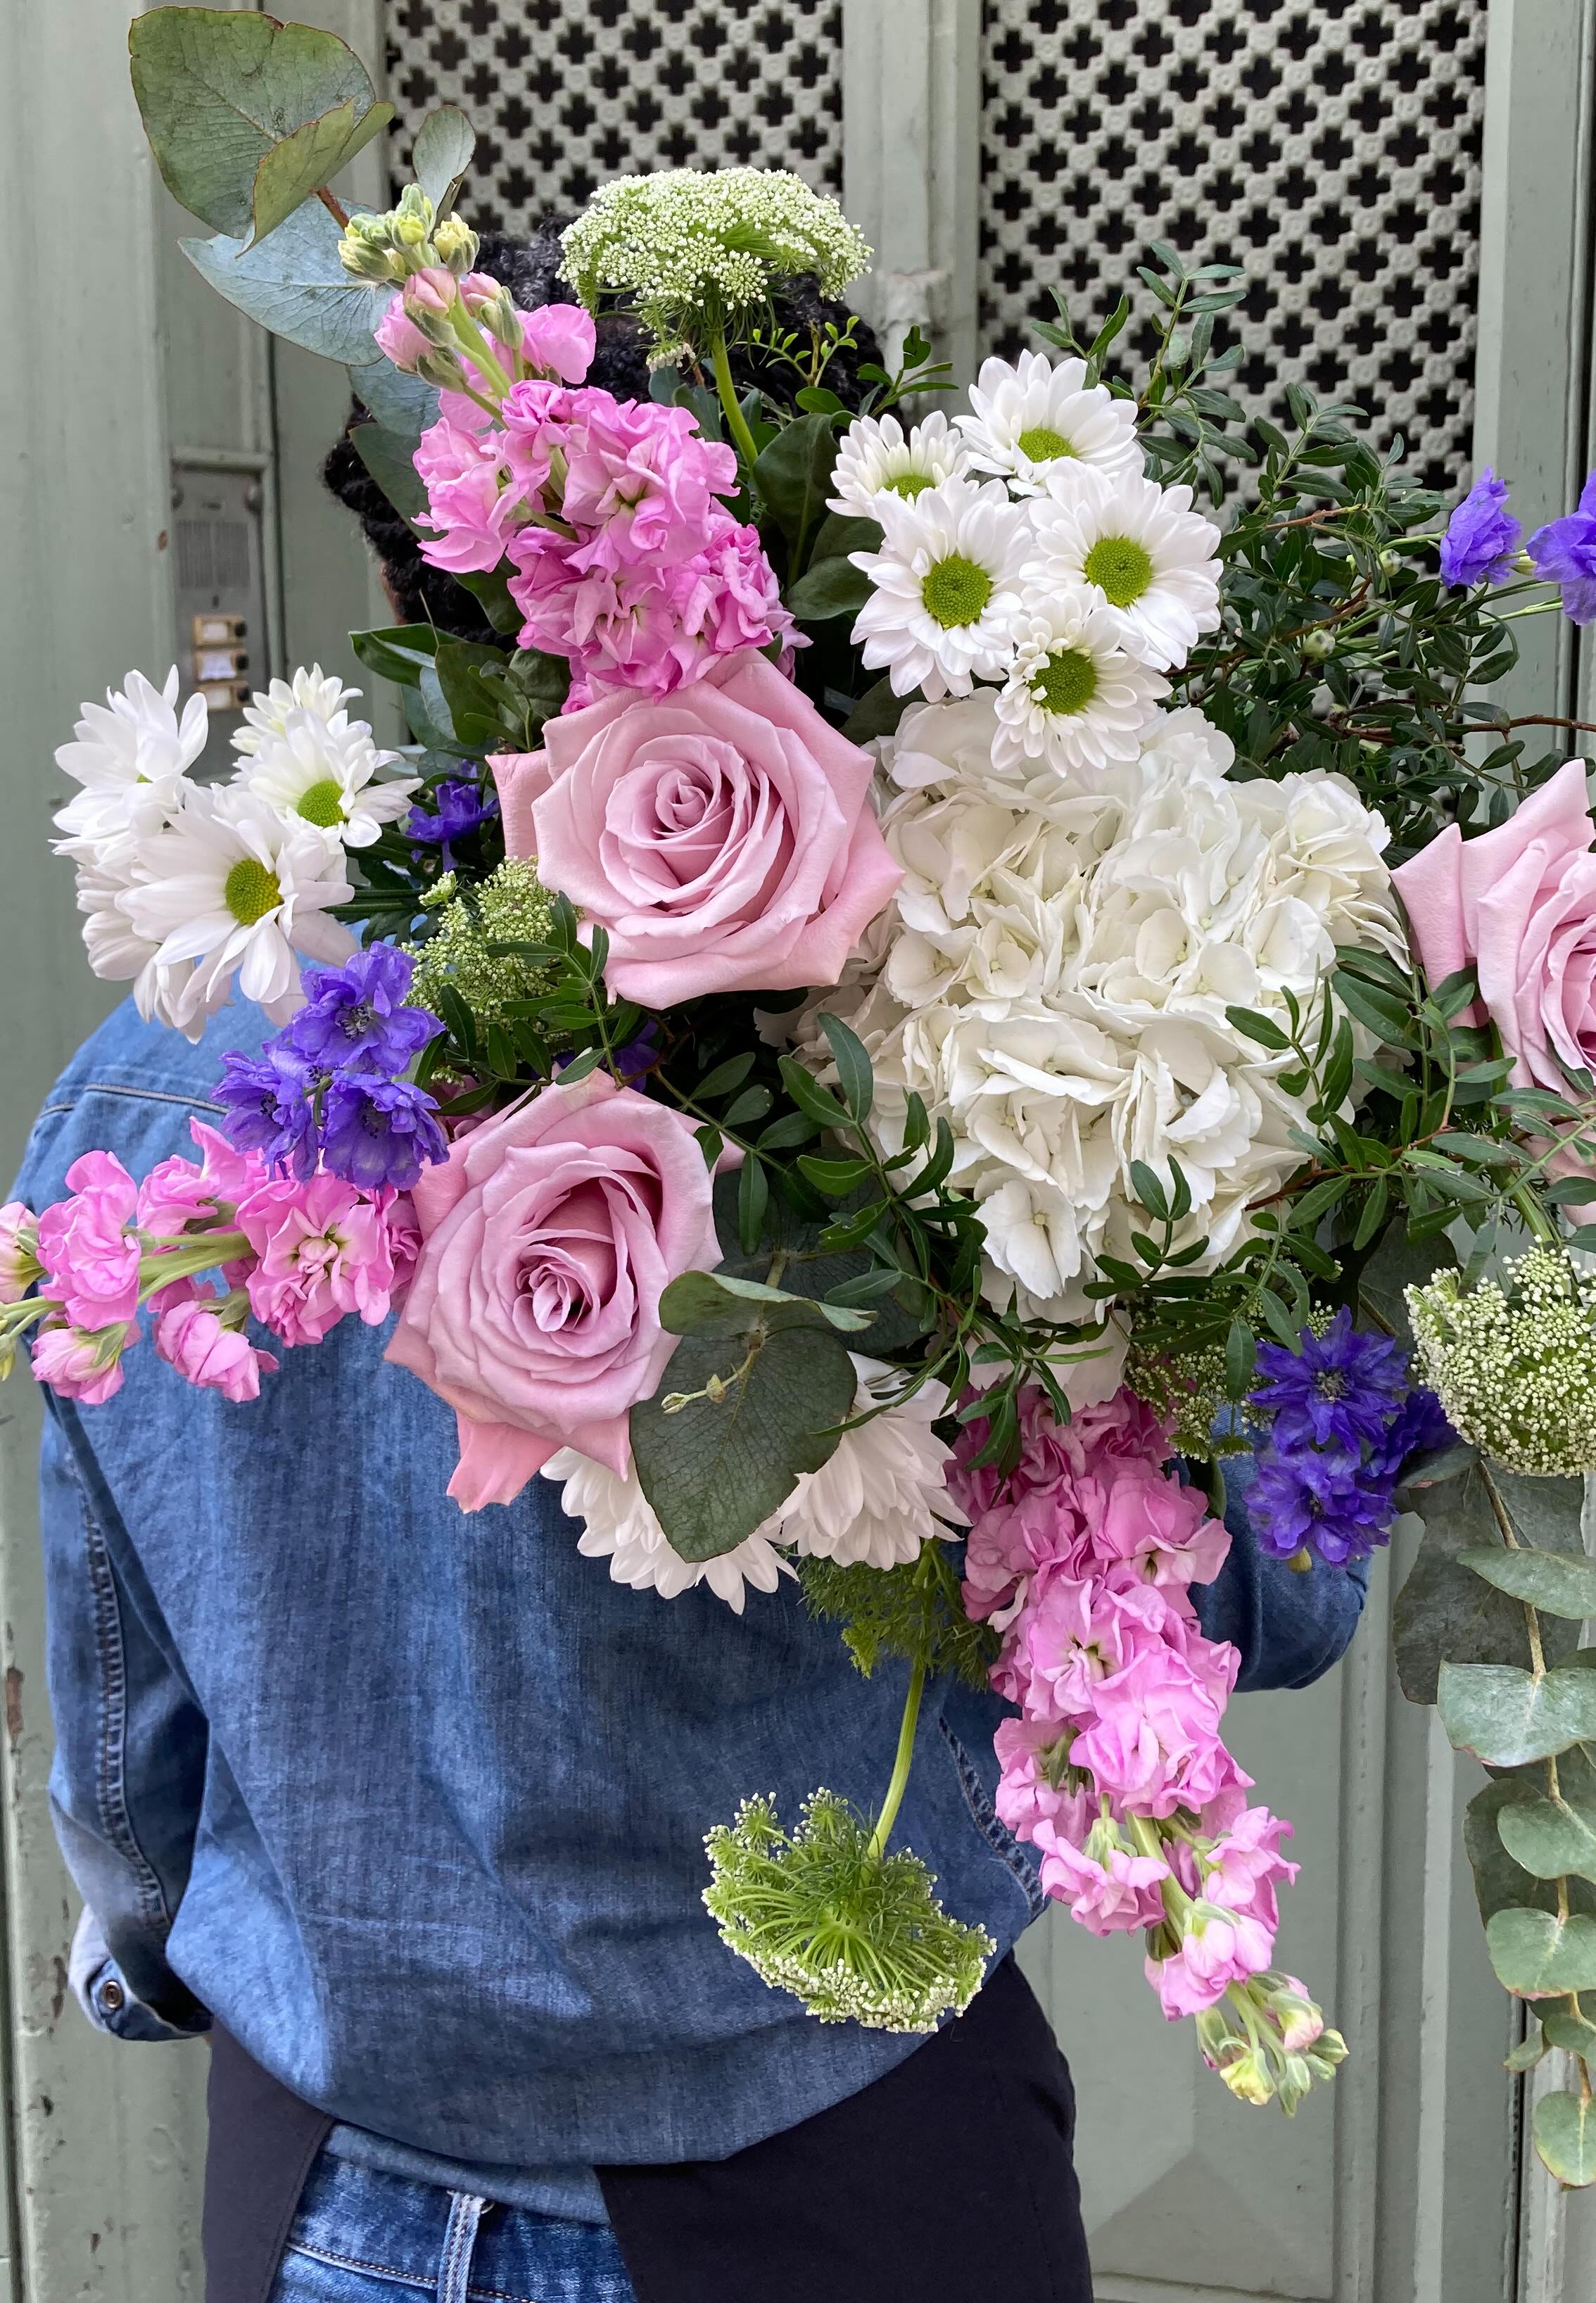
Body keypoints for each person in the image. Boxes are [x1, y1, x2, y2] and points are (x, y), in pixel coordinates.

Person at [18, 241, 1367, 2303]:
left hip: (327, 2201)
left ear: (409, 605)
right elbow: (1258, 1594)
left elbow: (127, 1700)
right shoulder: (985, 1065)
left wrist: (167, 1963)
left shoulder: (151, 1099)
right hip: (832, 2183)